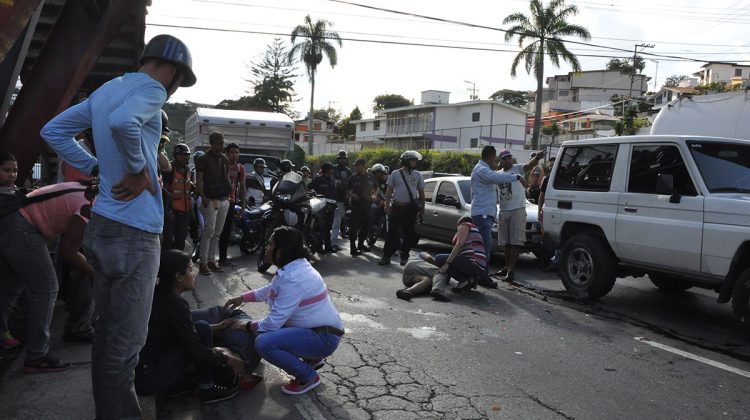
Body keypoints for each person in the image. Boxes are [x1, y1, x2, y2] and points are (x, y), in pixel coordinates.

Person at [40, 34, 196, 419]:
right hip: (135, 234)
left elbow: (52, 131)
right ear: (174, 71)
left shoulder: (107, 88)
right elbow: (124, 123)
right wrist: (140, 172)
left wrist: (95, 166)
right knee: (125, 349)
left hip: (103, 228)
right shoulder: (153, 90)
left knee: (108, 341)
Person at [224, 226, 344, 395]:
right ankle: (311, 358)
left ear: (281, 251)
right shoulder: (294, 268)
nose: (267, 248)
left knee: (264, 342)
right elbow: (271, 289)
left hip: (323, 338)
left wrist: (247, 326)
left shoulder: (294, 277)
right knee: (264, 332)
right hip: (319, 331)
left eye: (270, 245)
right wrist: (243, 298)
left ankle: (308, 376)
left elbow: (273, 322)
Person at [0, 177, 97, 373]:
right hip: (24, 227)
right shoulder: (89, 206)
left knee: (13, 287)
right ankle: (37, 356)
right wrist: (97, 273)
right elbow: (69, 253)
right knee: (47, 288)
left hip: (13, 221)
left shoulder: (89, 188)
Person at [135, 250, 246, 405]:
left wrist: (217, 327)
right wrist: (230, 360)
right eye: (189, 269)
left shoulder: (158, 294)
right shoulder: (175, 304)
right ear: (178, 277)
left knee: (202, 327)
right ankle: (207, 390)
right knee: (201, 333)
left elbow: (181, 331)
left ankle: (181, 383)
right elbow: (195, 349)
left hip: (142, 370)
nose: (193, 274)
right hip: (148, 378)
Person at [469, 145, 527, 288]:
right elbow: (496, 177)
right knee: (484, 247)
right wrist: (517, 177)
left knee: (482, 246)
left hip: (484, 213)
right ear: (491, 156)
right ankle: (482, 277)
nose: (496, 160)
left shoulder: (482, 169)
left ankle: (479, 275)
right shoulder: (482, 170)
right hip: (482, 214)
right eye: (496, 157)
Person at [495, 149, 544, 282]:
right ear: (501, 161)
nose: (507, 160)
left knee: (515, 242)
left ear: (512, 159)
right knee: (506, 243)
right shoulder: (498, 175)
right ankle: (506, 268)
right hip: (504, 210)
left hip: (518, 210)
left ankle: (510, 271)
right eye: (504, 158)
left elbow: (529, 165)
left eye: (509, 158)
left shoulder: (517, 169)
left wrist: (537, 158)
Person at [422, 216, 486, 301]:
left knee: (439, 259)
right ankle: (468, 280)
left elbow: (459, 244)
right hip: (478, 266)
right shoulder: (473, 232)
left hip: (473, 263)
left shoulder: (465, 225)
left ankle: (463, 279)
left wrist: (447, 263)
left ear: (459, 224)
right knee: (448, 260)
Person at [378, 150, 425, 266]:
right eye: (412, 160)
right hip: (397, 207)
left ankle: (405, 256)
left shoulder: (418, 175)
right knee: (391, 233)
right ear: (405, 161)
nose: (414, 163)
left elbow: (421, 192)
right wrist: (387, 205)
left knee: (409, 233)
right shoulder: (395, 173)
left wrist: (422, 208)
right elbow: (389, 190)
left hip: (411, 209)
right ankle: (386, 256)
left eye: (415, 161)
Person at [195, 131, 231, 275]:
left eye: (222, 142)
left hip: (223, 200)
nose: (222, 145)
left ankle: (211, 260)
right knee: (209, 232)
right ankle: (203, 262)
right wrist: (203, 198)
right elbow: (199, 181)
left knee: (217, 233)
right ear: (211, 143)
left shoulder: (225, 160)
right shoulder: (203, 159)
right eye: (219, 143)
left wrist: (228, 196)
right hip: (210, 200)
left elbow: (227, 178)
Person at [162, 143, 194, 250]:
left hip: (185, 212)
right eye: (182, 155)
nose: (185, 157)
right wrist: (167, 210)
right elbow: (164, 190)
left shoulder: (187, 170)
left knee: (181, 241)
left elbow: (188, 185)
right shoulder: (170, 170)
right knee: (167, 241)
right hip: (172, 213)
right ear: (176, 156)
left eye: (187, 155)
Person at [219, 142, 246, 266]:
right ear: (226, 153)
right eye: (232, 152)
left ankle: (222, 259)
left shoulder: (240, 168)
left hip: (231, 202)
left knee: (226, 230)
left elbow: (242, 187)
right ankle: (207, 259)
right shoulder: (221, 165)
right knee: (213, 230)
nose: (234, 155)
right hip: (218, 200)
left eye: (236, 152)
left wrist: (243, 205)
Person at [346, 158, 374, 257]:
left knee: (365, 227)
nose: (356, 168)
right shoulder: (353, 177)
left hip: (367, 205)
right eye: (355, 166)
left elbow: (376, 188)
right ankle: (353, 248)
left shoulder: (370, 176)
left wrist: (374, 195)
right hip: (356, 206)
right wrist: (352, 195)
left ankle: (361, 245)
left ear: (363, 166)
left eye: (358, 166)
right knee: (354, 228)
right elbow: (348, 190)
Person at [309, 162, 337, 253]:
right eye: (331, 169)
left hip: (331, 207)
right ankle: (319, 247)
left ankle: (328, 247)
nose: (332, 170)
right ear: (327, 170)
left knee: (328, 228)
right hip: (321, 208)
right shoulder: (318, 180)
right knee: (320, 228)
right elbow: (308, 188)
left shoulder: (332, 179)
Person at [331, 150, 352, 247]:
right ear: (338, 159)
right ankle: (332, 241)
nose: (342, 160)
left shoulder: (348, 171)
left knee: (344, 217)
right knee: (336, 220)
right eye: (340, 158)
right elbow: (329, 179)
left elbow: (351, 184)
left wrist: (350, 194)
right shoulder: (333, 169)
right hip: (334, 197)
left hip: (345, 197)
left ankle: (343, 232)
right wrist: (336, 181)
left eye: (344, 158)